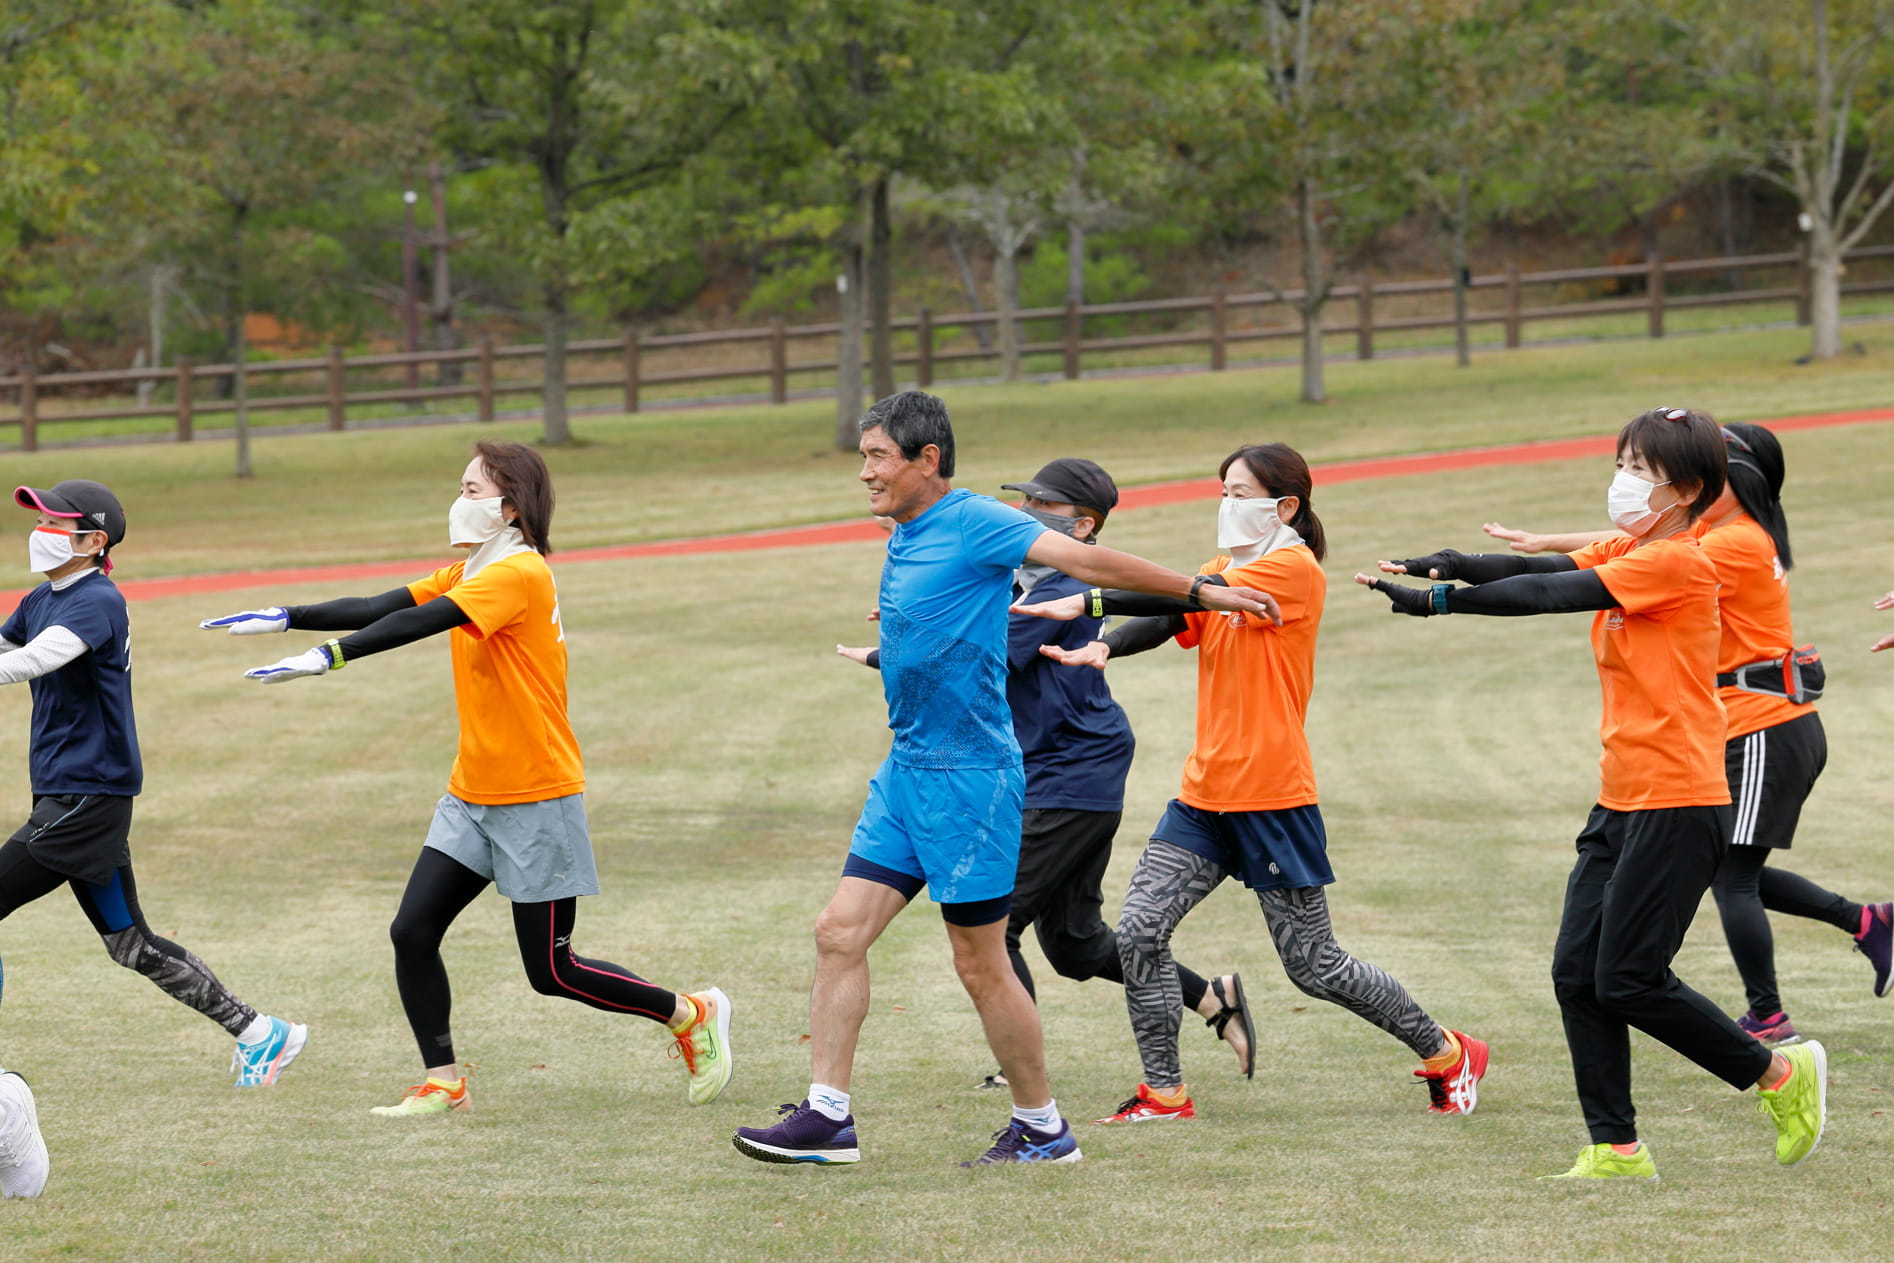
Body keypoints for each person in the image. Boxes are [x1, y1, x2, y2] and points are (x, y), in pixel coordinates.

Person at [731, 392, 1279, 1168]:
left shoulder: (978, 520)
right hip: (908, 769)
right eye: (864, 456)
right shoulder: (907, 530)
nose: (865, 472)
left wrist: (1204, 590)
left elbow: (1087, 563)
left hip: (971, 780)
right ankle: (828, 1117)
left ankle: (1044, 1127)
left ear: (927, 460)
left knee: (980, 959)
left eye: (878, 456)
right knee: (838, 933)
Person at [1359, 406, 1827, 1180]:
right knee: (1578, 973)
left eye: (1640, 470)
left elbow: (1548, 600)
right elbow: (1540, 572)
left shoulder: (1681, 560)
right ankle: (1616, 1146)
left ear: (1686, 490)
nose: (1623, 480)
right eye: (1623, 462)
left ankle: (1777, 1072)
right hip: (1624, 794)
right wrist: (1454, 563)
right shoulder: (1639, 545)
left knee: (1631, 977)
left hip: (1680, 796)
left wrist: (1437, 604)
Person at [200, 441, 731, 1116]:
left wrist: (327, 657)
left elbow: (421, 621)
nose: (461, 499)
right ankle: (444, 1080)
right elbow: (383, 603)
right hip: (472, 792)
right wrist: (287, 615)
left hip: (535, 793)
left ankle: (690, 1012)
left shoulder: (517, 574)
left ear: (511, 506)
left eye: (473, 489)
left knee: (553, 971)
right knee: (412, 931)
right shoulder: (473, 566)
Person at [1019, 442, 1487, 1126]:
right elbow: (1176, 612)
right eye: (1223, 490)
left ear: (1285, 505)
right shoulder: (1219, 569)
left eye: (1240, 493)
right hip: (1205, 794)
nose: (1226, 504)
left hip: (1273, 796)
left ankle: (1449, 1049)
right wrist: (1105, 643)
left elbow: (1190, 597)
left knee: (1315, 966)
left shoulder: (1293, 570)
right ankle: (1165, 1093)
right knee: (1142, 931)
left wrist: (1087, 599)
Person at [837, 458, 1255, 1096]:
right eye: (1023, 499)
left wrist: (886, 650)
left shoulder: (1059, 584)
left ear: (1082, 524)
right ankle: (1211, 997)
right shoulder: (1025, 578)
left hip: (1068, 771)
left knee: (994, 928)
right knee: (1076, 944)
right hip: (1062, 767)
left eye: (1041, 504)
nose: (1025, 512)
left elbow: (989, 651)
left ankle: (1018, 1074)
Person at [1480, 422, 1892, 1041]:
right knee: (1718, 866)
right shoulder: (1721, 534)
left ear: (1733, 480)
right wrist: (1543, 542)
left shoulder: (1733, 543)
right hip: (1744, 724)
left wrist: (1546, 553)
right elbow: (1629, 542)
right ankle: (1865, 921)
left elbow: (1636, 551)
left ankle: (1770, 1015)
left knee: (1731, 876)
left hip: (1764, 726)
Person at [0, 480, 304, 1095]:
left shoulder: (97, 600)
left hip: (89, 793)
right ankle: (260, 1032)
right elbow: (8, 644)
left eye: (56, 524)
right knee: (129, 942)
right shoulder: (44, 596)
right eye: (40, 521)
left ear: (94, 541)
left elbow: (31, 661)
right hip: (71, 789)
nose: (41, 533)